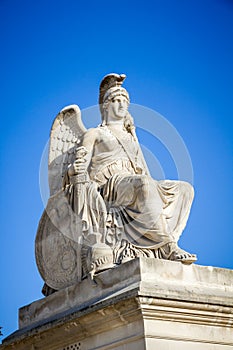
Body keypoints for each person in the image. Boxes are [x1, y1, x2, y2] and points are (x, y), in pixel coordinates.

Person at [65, 73, 196, 271]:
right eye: (116, 100)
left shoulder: (130, 136)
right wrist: (77, 168)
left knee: (185, 189)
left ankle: (157, 244)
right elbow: (78, 162)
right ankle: (168, 246)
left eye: (125, 101)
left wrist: (133, 134)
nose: (121, 105)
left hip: (133, 181)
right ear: (106, 106)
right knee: (143, 184)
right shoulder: (95, 133)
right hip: (109, 185)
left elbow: (143, 170)